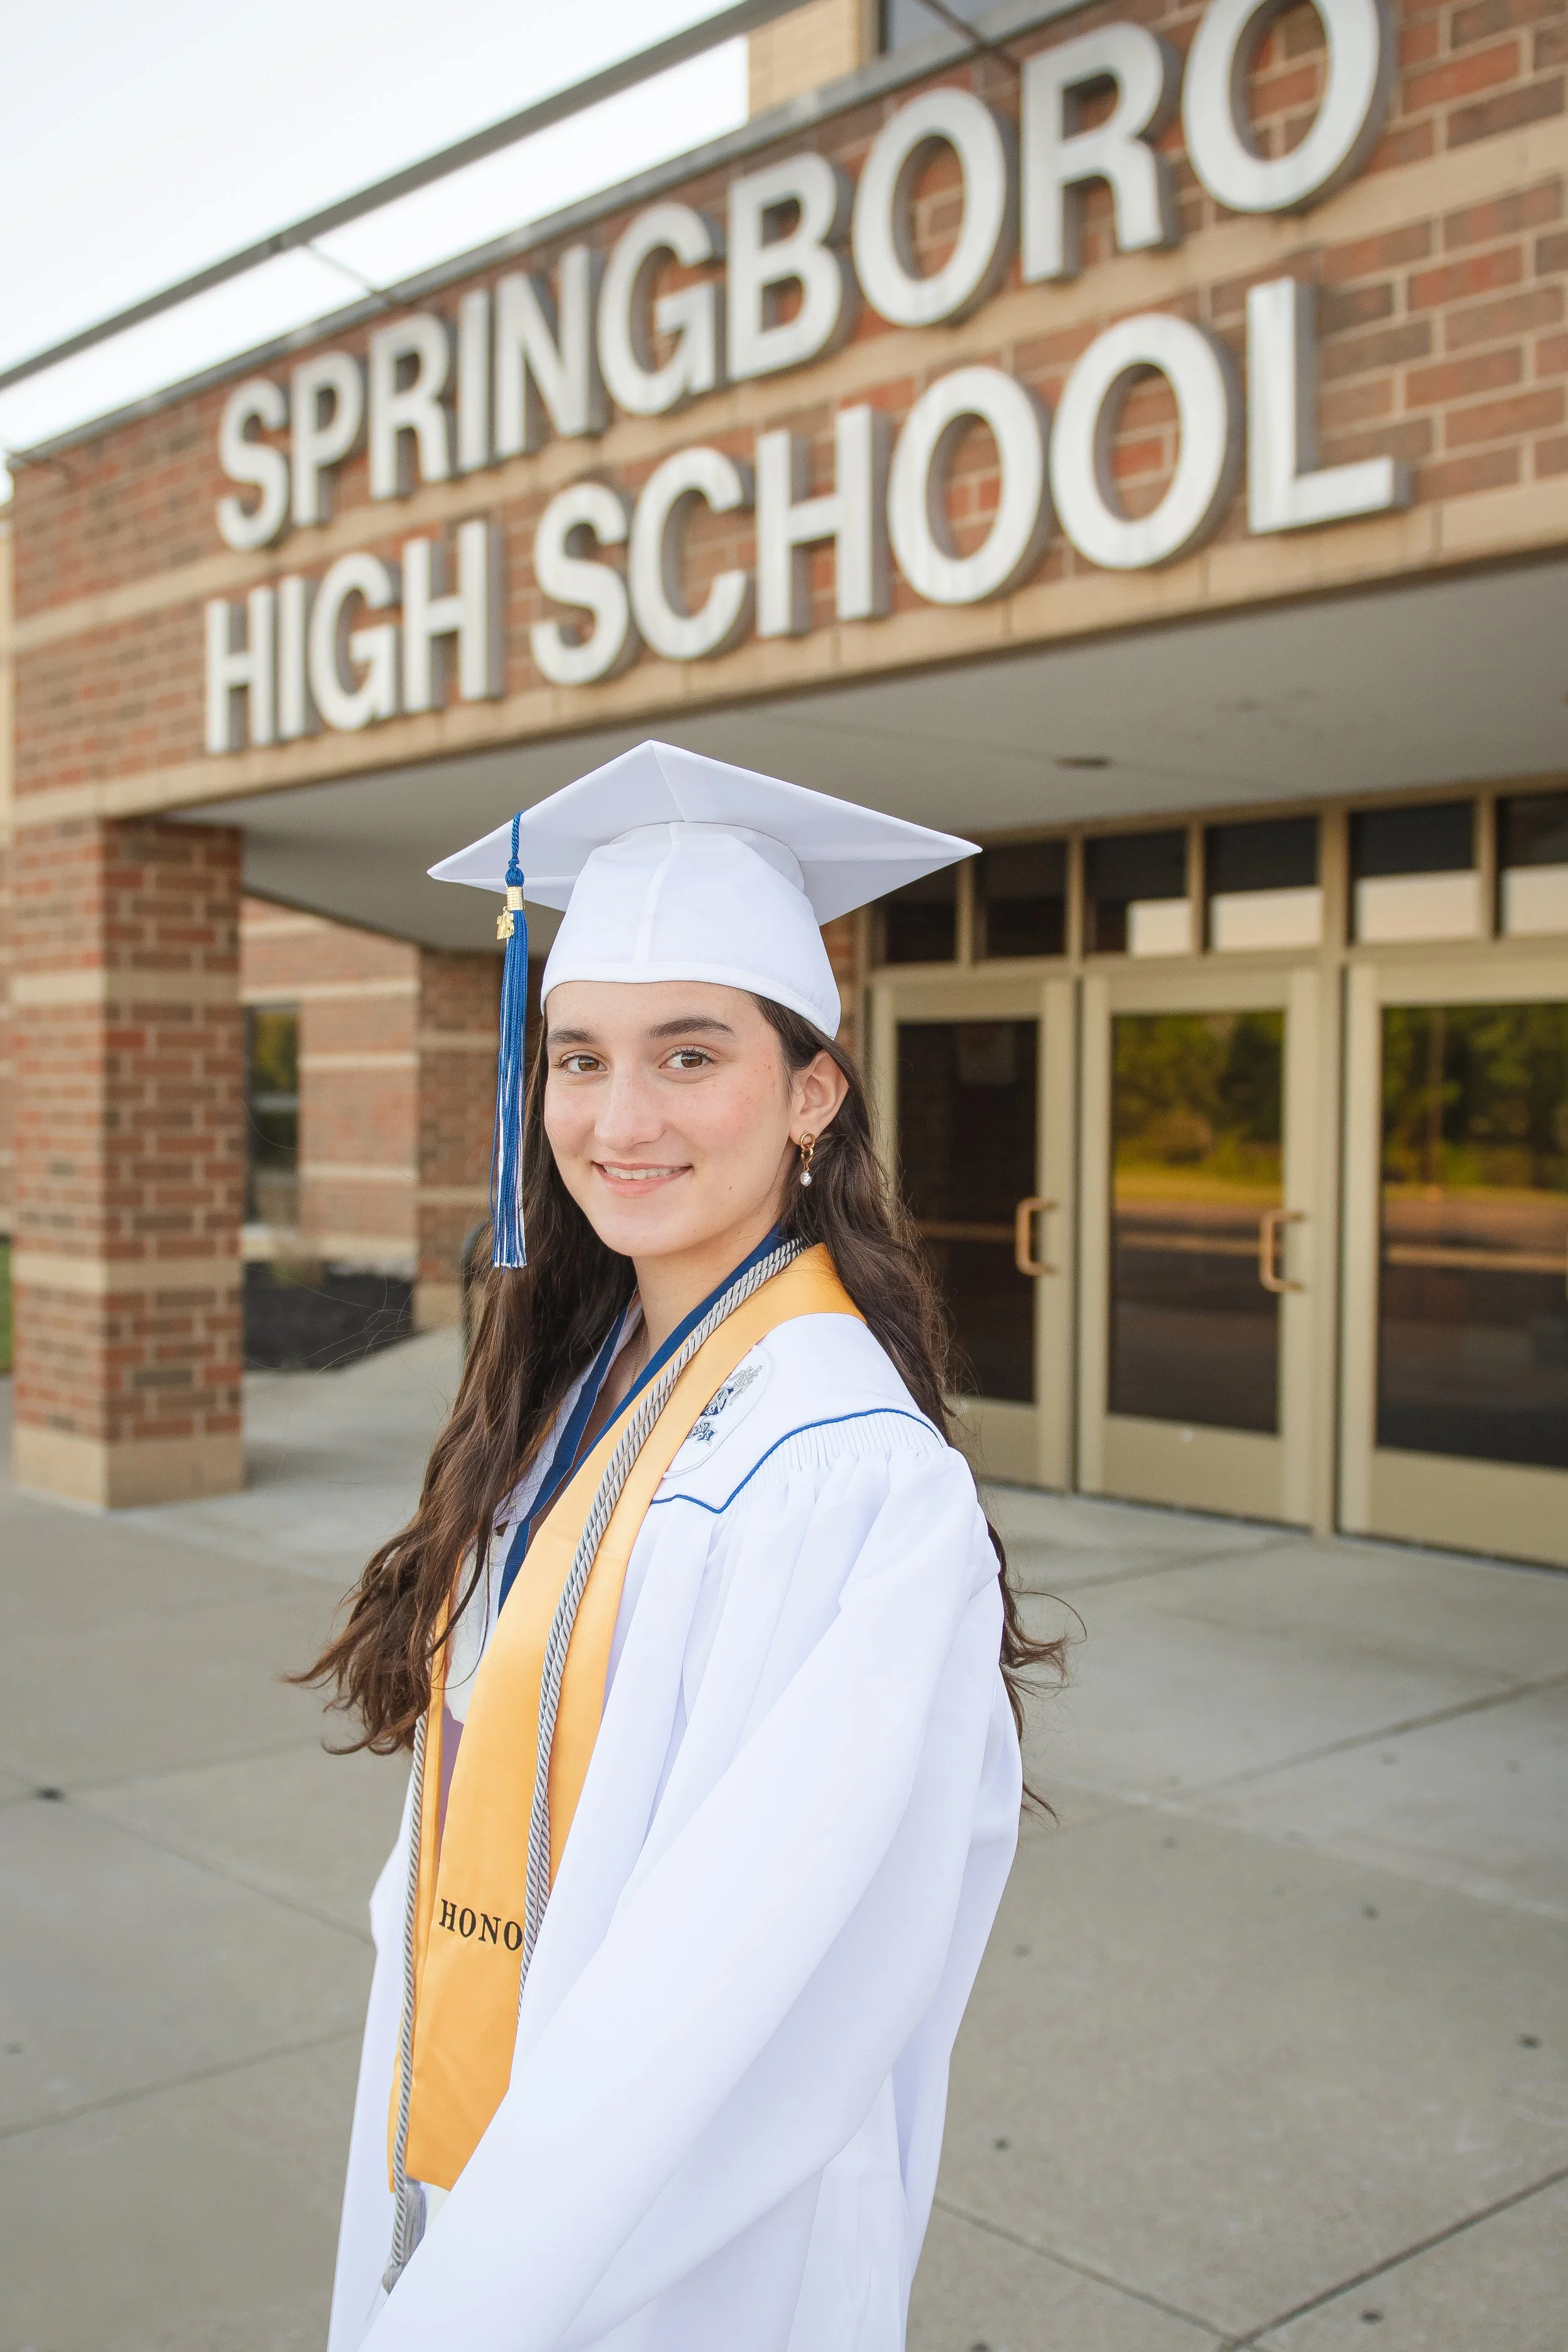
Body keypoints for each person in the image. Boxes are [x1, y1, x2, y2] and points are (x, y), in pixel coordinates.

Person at [305, 740, 1064, 2352]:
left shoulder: (843, 1471)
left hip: (671, 2256)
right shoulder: (581, 1393)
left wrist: (481, 2298)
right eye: (575, 1059)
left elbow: (737, 1982)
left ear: (811, 1092)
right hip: (482, 2176)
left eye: (689, 1053)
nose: (617, 1116)